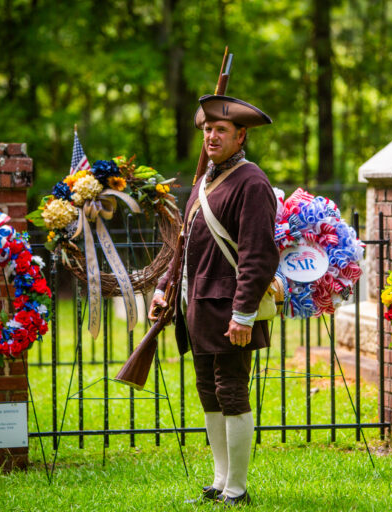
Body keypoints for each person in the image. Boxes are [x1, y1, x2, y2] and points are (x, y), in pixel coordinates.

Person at [150, 94, 278, 506]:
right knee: (210, 392)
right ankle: (221, 480)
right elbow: (184, 244)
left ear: (241, 136)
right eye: (207, 129)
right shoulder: (204, 181)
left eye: (220, 129)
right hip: (198, 307)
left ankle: (237, 489)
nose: (211, 135)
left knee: (232, 392)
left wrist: (243, 314)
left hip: (229, 310)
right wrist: (163, 289)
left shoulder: (252, 182)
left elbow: (258, 255)